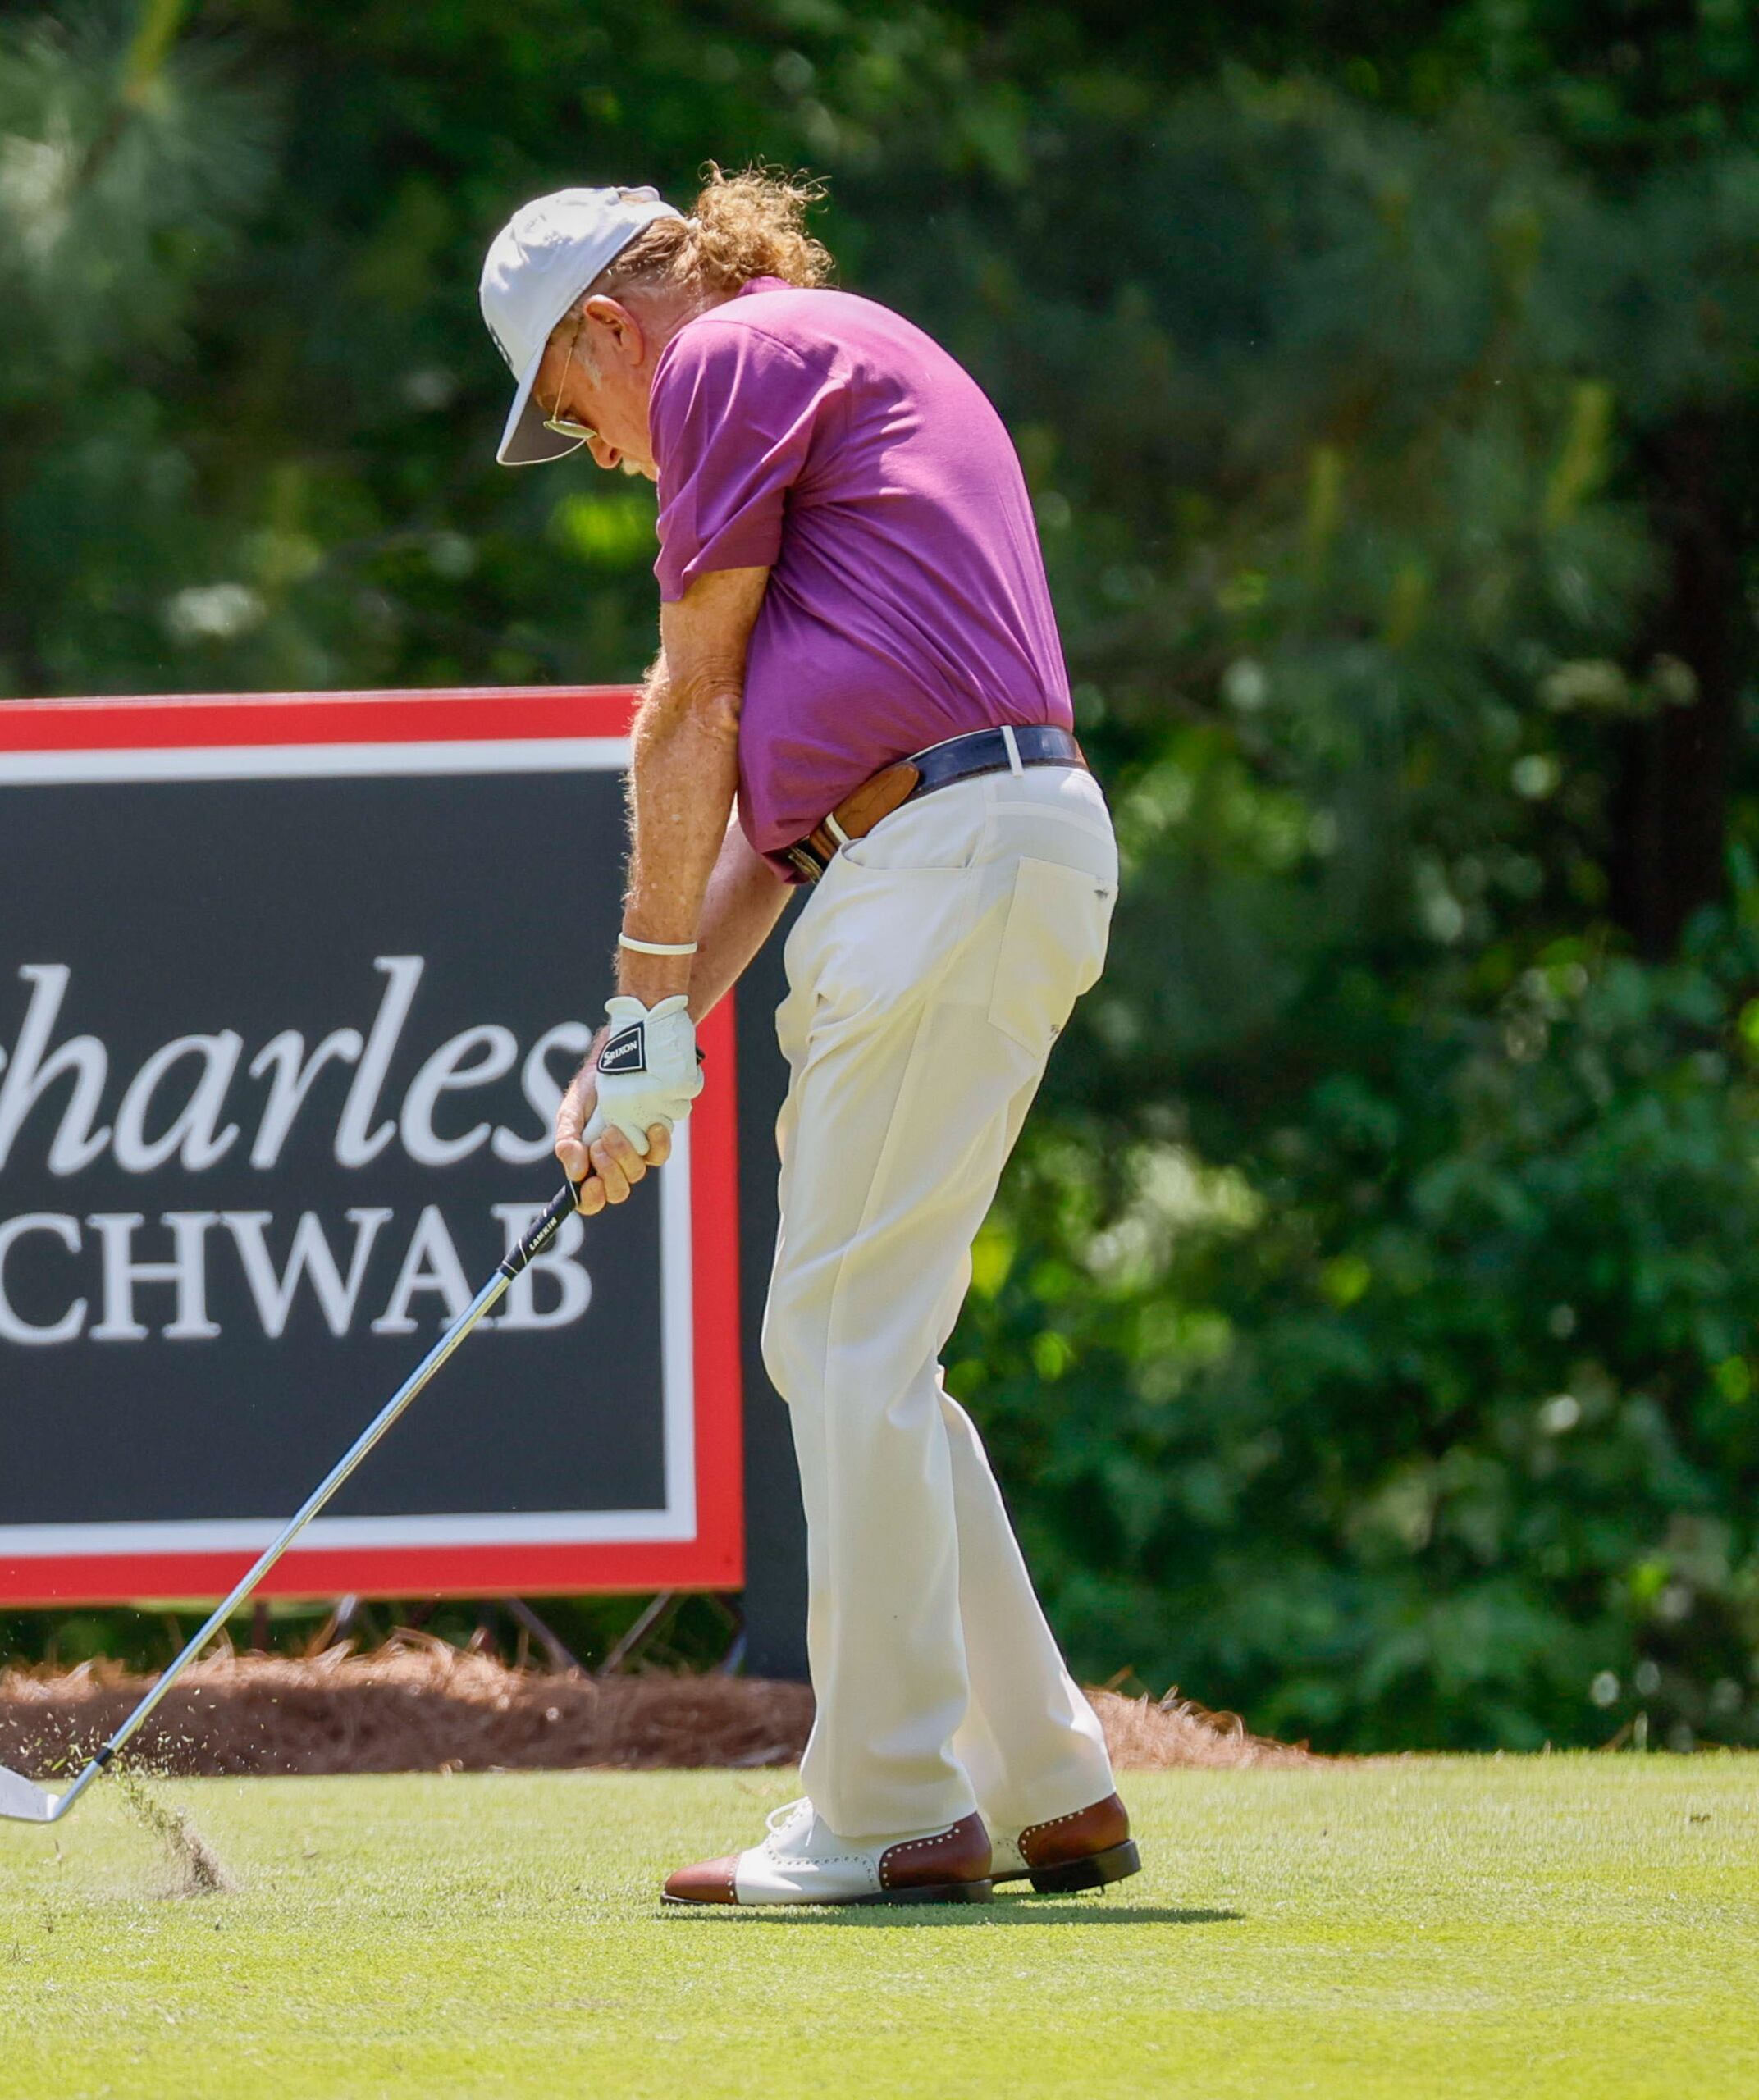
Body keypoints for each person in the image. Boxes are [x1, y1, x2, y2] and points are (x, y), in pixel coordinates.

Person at [478, 175, 1140, 1906]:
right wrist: (644, 1045)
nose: (607, 451)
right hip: (954, 849)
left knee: (839, 1340)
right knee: (871, 1346)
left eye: (574, 410)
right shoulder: (824, 370)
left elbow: (684, 705)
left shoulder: (736, 358)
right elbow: (782, 838)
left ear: (612, 331)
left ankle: (890, 1804)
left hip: (952, 854)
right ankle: (1049, 1774)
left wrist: (631, 1009)